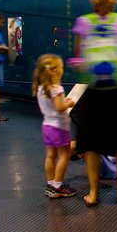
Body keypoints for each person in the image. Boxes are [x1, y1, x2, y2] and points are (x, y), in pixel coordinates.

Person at [70, 0, 117, 206]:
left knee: (97, 143)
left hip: (106, 92)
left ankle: (97, 192)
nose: (104, 0)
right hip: (111, 92)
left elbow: (78, 55)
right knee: (111, 143)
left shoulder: (87, 22)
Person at [33, 53, 78, 198]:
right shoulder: (56, 88)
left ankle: (50, 184)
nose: (62, 70)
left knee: (50, 155)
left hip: (47, 126)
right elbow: (60, 107)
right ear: (55, 70)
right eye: (61, 67)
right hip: (59, 127)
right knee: (64, 156)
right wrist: (69, 103)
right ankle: (58, 186)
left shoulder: (40, 88)